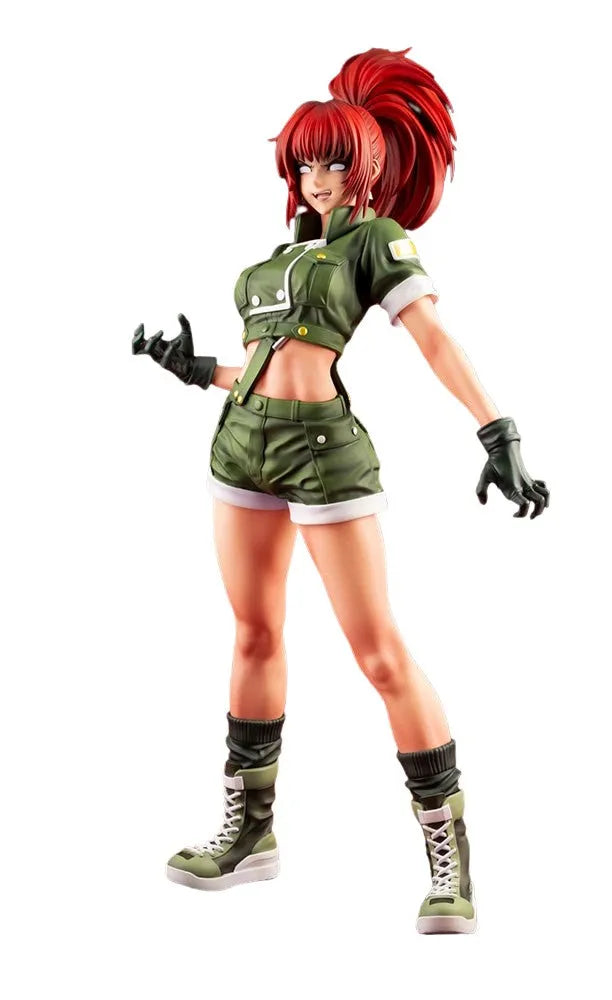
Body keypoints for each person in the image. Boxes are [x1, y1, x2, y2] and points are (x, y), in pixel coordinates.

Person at [132, 47, 549, 934]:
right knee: (252, 633)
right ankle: (251, 832)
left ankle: (448, 857)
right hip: (239, 445)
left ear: (364, 166)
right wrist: (196, 368)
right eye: (305, 163)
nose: (316, 178)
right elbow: (264, 363)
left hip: (323, 454)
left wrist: (496, 430)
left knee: (379, 653)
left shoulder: (374, 241)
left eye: (332, 161)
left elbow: (431, 337)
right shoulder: (277, 259)